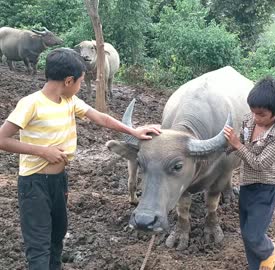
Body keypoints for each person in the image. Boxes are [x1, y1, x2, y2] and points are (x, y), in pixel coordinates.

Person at [0, 48, 160, 270]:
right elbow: (2, 139)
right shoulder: (31, 104)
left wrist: (133, 131)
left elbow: (100, 118)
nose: (80, 86)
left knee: (57, 236)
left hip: (59, 181)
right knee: (39, 244)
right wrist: (42, 151)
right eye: (80, 81)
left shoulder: (69, 101)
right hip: (34, 184)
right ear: (68, 80)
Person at [224, 76, 275, 270]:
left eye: (261, 114)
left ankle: (269, 250)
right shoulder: (248, 121)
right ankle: (257, 266)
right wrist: (227, 148)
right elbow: (243, 144)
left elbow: (259, 164)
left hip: (265, 188)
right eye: (253, 112)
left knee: (254, 234)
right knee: (246, 232)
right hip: (247, 184)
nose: (256, 118)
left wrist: (237, 146)